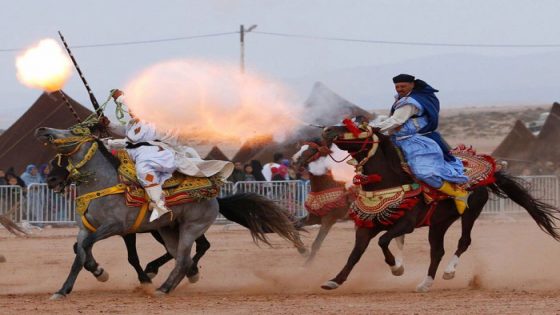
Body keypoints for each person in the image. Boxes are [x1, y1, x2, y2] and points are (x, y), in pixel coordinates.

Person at [101, 89, 234, 222]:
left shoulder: (155, 119)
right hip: (134, 153)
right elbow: (125, 131)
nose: (130, 110)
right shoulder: (133, 123)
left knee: (144, 170)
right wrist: (108, 124)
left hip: (154, 154)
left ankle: (159, 204)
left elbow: (134, 131)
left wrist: (122, 98)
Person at [372, 74, 469, 214]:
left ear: (412, 85)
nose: (399, 89)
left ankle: (458, 193)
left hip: (415, 141)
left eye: (403, 86)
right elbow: (394, 120)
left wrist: (373, 129)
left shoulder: (410, 102)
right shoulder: (404, 98)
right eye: (397, 87)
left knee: (424, 173)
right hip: (398, 139)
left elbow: (396, 121)